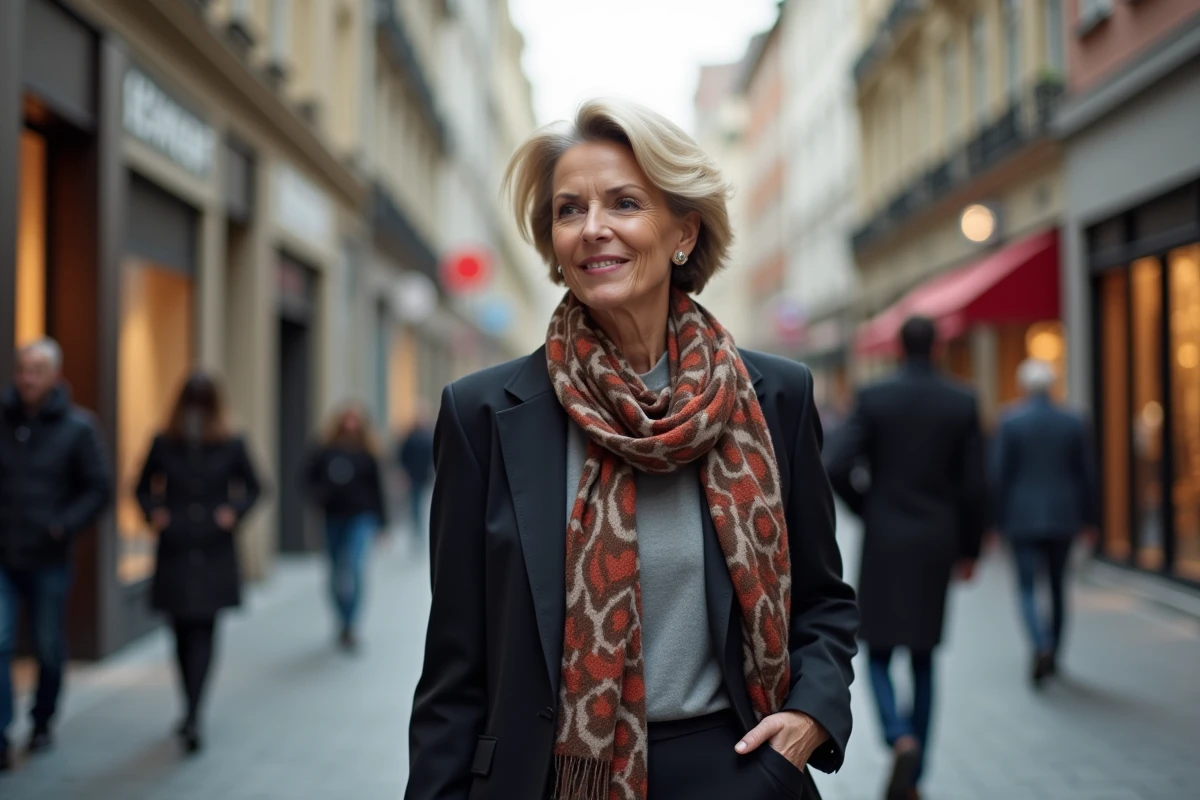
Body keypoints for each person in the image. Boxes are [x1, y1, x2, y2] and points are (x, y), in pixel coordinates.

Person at [405, 98, 859, 800]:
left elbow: (824, 603)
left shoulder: (777, 396)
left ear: (683, 230)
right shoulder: (484, 415)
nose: (593, 230)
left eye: (623, 203)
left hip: (738, 770)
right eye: (568, 210)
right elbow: (454, 668)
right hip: (555, 779)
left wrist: (806, 721)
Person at [824, 316, 986, 800]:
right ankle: (915, 777)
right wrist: (970, 548)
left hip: (886, 538)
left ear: (898, 348)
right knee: (923, 655)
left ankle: (899, 736)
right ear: (936, 348)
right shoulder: (962, 401)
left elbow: (835, 463)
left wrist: (866, 506)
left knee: (876, 649)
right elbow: (976, 485)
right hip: (937, 540)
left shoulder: (876, 399)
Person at [134, 373, 262, 754]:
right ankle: (188, 706)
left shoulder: (231, 442)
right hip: (175, 548)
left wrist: (232, 513)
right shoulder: (164, 442)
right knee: (179, 630)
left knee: (204, 629)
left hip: (213, 550)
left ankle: (193, 712)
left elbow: (256, 487)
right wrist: (154, 513)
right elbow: (141, 487)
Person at [0, 339, 111, 770]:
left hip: (48, 558)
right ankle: (2, 732)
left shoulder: (79, 428)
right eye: (23, 368)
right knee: (1, 641)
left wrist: (62, 524)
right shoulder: (3, 420)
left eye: (36, 370)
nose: (27, 377)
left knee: (47, 646)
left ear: (55, 377)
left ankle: (42, 720)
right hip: (4, 555)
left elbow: (98, 489)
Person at [992, 358, 1097, 687]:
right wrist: (1089, 519)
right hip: (1064, 516)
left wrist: (993, 522)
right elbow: (1086, 475)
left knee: (1026, 587)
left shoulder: (1010, 421)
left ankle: (1041, 643)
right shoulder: (1072, 420)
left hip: (1021, 517)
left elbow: (998, 476)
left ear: (1024, 385)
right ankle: (1054, 655)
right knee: (1057, 587)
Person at [306, 403, 388, 652]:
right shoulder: (324, 450)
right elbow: (307, 479)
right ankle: (341, 618)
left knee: (353, 566)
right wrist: (319, 497)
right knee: (333, 570)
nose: (351, 425)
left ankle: (351, 624)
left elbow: (378, 489)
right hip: (333, 517)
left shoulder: (369, 453)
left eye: (356, 420)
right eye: (347, 419)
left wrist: (383, 523)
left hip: (361, 517)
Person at [396, 409, 434, 544]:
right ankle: (416, 529)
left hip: (423, 475)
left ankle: (418, 529)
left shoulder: (429, 437)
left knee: (419, 502)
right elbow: (403, 457)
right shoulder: (410, 438)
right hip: (413, 475)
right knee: (415, 503)